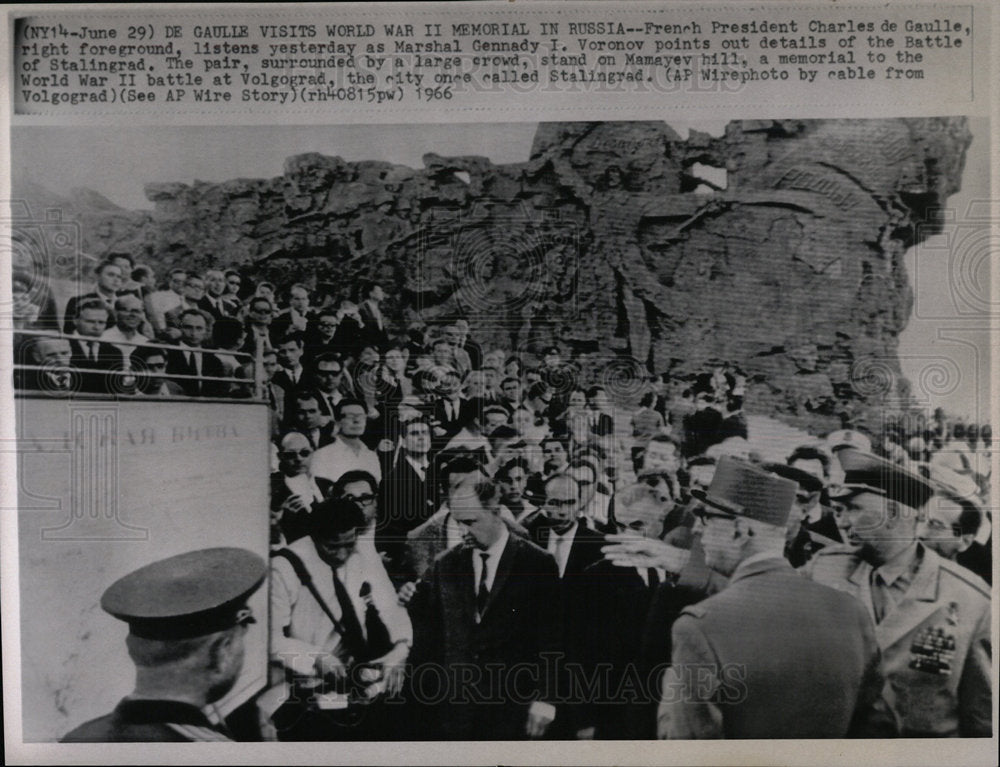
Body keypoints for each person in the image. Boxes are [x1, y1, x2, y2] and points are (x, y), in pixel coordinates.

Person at [657, 457, 889, 739]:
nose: (696, 528)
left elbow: (690, 748)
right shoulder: (850, 610)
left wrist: (668, 707)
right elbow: (876, 729)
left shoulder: (700, 627)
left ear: (741, 530)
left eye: (707, 516)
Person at [808, 448, 992, 737]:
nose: (842, 522)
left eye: (854, 509)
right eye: (841, 510)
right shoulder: (823, 569)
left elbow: (983, 720)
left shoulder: (970, 598)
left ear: (892, 513)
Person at [408, 475, 561, 740]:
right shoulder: (445, 564)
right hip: (456, 714)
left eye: (471, 522)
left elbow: (553, 638)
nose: (464, 532)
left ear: (495, 511)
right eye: (459, 523)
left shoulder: (537, 563)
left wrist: (546, 699)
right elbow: (428, 638)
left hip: (514, 711)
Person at [61, 548, 266, 742]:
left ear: (132, 647)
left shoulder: (77, 739)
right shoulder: (219, 754)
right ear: (223, 652)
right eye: (240, 640)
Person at [268, 497, 412, 741]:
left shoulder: (361, 551)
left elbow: (390, 604)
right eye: (332, 546)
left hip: (358, 679)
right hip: (307, 689)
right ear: (315, 538)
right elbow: (269, 639)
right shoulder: (284, 568)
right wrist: (315, 658)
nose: (342, 554)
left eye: (349, 543)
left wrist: (400, 648)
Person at [571, 482, 673, 740]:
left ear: (660, 521)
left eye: (638, 526)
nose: (627, 535)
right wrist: (586, 718)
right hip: (616, 711)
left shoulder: (678, 572)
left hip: (668, 706)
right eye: (620, 525)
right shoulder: (596, 577)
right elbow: (582, 653)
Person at [271, 431, 335, 546]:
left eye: (304, 453)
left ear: (313, 452)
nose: (298, 459)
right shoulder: (273, 489)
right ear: (280, 457)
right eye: (290, 455)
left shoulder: (327, 485)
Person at [311, 398, 383, 484]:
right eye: (350, 416)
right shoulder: (322, 455)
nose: (356, 421)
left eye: (361, 416)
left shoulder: (371, 456)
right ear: (338, 422)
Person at [164, 308, 227, 397]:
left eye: (199, 328)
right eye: (188, 327)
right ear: (179, 328)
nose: (194, 333)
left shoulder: (214, 361)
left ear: (206, 331)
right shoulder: (168, 352)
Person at [68, 299, 126, 394]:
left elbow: (116, 389)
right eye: (90, 321)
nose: (96, 327)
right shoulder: (61, 345)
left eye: (101, 322)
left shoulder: (114, 352)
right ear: (75, 320)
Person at [63, 258, 123, 334]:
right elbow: (69, 333)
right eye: (111, 275)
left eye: (119, 277)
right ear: (98, 277)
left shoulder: (125, 303)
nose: (116, 280)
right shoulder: (77, 301)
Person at [100, 294, 149, 367]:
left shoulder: (145, 342)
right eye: (127, 310)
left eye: (137, 311)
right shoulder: (103, 338)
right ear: (116, 313)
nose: (133, 315)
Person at [145, 268, 187, 338]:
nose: (181, 284)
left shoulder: (189, 299)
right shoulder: (159, 296)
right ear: (169, 281)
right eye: (177, 281)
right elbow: (158, 321)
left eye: (184, 282)